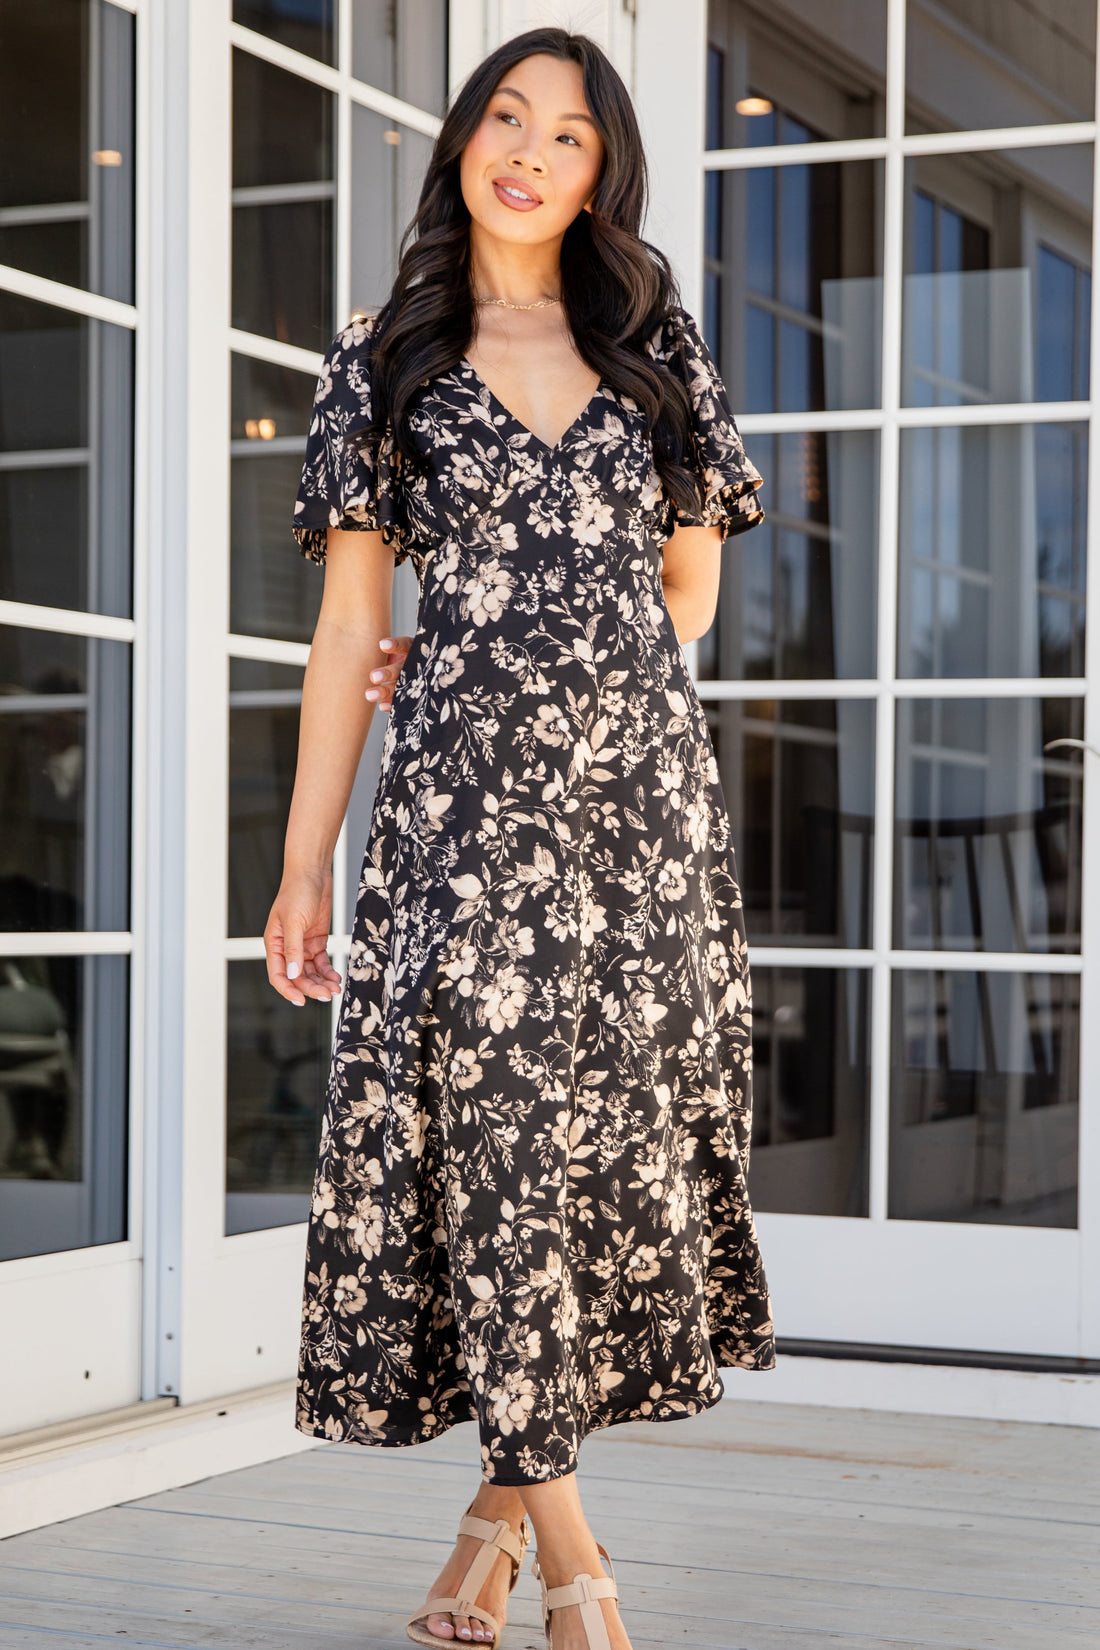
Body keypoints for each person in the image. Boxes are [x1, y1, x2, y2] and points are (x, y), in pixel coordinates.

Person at [264, 27, 775, 1650]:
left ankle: (486, 1533)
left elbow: (690, 591)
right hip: (465, 815)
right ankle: (576, 1565)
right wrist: (300, 861)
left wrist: (565, 631)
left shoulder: (653, 342)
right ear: (467, 140)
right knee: (487, 1144)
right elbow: (350, 633)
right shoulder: (384, 352)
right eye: (507, 115)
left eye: (567, 132)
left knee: (590, 1160)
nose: (531, 150)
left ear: (599, 173)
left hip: (637, 809)